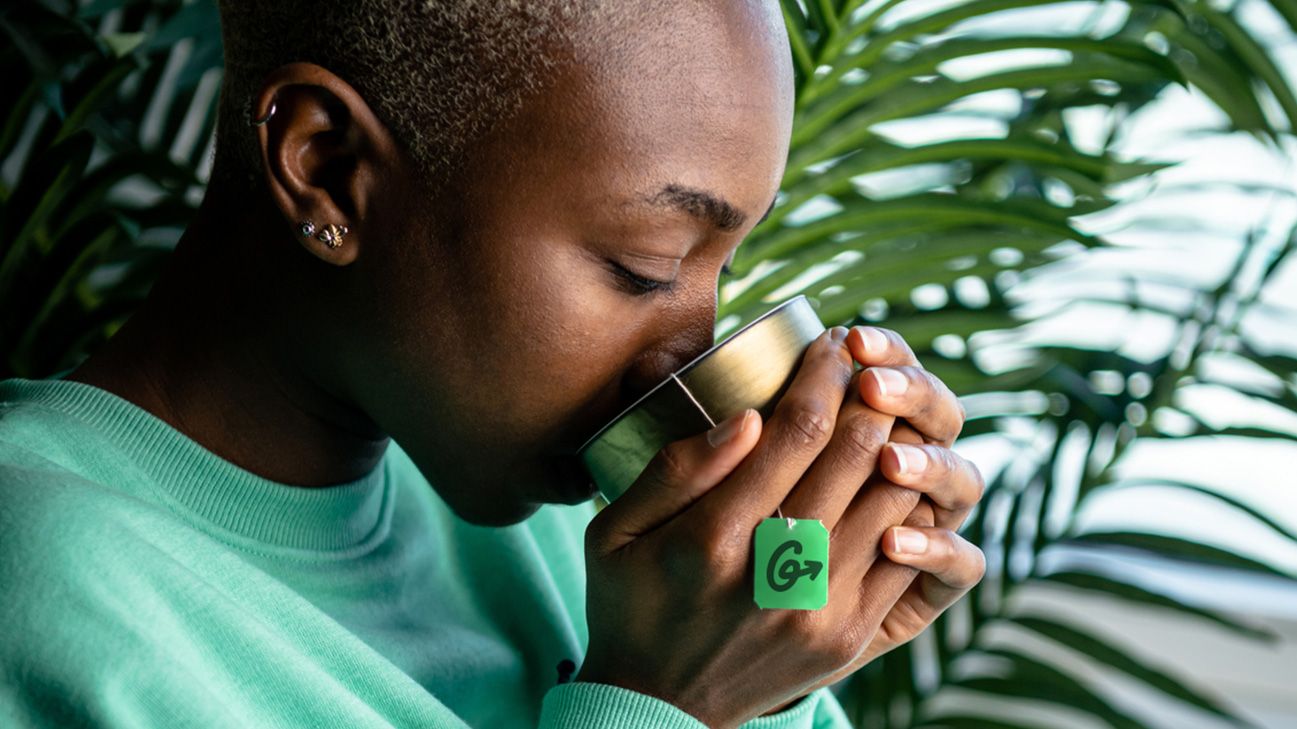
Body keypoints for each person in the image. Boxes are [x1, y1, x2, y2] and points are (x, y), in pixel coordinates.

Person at [0, 1, 987, 727]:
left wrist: (778, 659)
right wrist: (662, 703)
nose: (687, 356)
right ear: (327, 166)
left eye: (722, 268)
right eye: (642, 267)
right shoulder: (47, 594)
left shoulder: (590, 546)